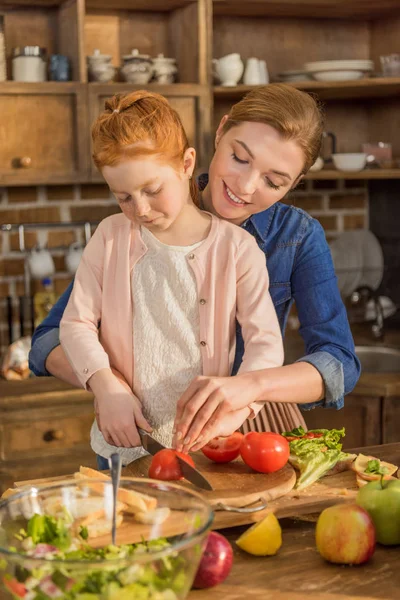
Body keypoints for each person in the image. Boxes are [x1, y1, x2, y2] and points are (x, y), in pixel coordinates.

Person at [29, 84, 360, 457]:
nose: (245, 186)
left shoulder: (295, 236)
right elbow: (49, 340)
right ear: (219, 133)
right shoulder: (130, 224)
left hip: (256, 430)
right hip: (141, 428)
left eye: (273, 181)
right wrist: (111, 385)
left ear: (294, 184)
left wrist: (253, 388)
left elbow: (339, 364)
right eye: (239, 157)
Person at [55, 89, 285, 469]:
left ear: (187, 163)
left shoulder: (237, 249)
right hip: (124, 442)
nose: (140, 209)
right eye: (123, 197)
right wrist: (104, 385)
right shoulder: (110, 237)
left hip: (207, 446)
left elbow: (266, 345)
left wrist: (238, 406)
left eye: (152, 190)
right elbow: (75, 323)